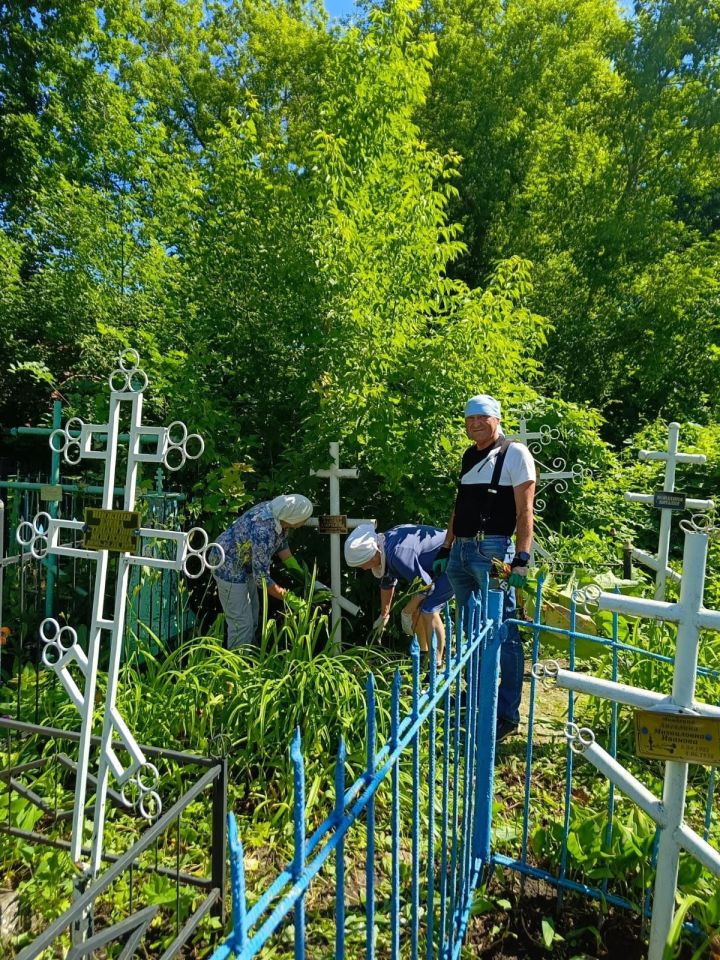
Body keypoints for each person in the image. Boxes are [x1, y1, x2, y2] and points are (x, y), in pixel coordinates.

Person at [433, 394, 535, 742]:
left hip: (492, 549)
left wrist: (521, 558)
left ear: (496, 419)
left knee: (503, 630)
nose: (474, 424)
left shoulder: (514, 453)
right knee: (472, 627)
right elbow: (458, 506)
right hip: (461, 550)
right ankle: (477, 695)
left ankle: (506, 712)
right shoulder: (468, 455)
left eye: (481, 418)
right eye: (469, 419)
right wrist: (446, 546)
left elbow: (525, 511)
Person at [344, 523, 453, 667]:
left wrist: (406, 611)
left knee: (428, 610)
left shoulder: (398, 554)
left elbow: (426, 587)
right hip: (435, 567)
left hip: (452, 560)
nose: (363, 569)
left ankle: (437, 664)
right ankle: (424, 655)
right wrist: (384, 614)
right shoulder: (385, 545)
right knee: (418, 611)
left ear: (372, 555)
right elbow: (387, 582)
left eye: (362, 564)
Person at [212, 494, 313, 649]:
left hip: (246, 566)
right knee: (241, 624)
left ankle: (248, 657)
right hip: (228, 565)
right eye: (303, 518)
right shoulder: (263, 530)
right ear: (293, 518)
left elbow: (280, 543)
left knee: (252, 614)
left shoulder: (277, 513)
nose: (305, 521)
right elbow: (262, 579)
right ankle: (236, 666)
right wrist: (289, 598)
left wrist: (297, 570)